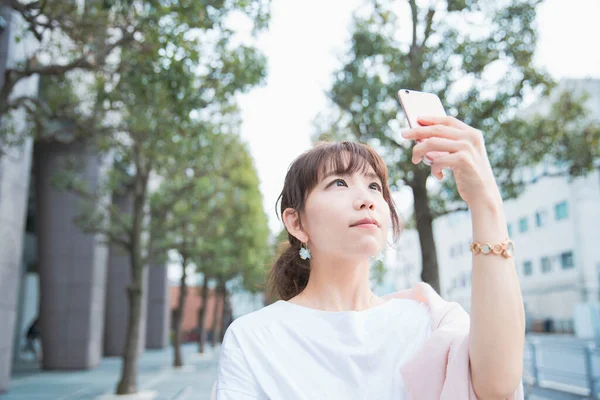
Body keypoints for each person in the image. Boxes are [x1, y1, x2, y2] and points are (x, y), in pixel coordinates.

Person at [214, 116, 525, 399]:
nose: (366, 200)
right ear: (297, 223)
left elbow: (497, 386)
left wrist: (484, 201)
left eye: (375, 186)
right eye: (339, 183)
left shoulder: (429, 322)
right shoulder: (254, 339)